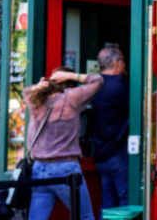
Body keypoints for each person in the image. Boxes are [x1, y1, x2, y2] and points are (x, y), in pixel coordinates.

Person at [24, 67, 103, 220]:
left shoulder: (35, 98)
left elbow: (26, 91)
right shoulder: (71, 97)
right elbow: (98, 80)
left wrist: (39, 86)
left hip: (39, 168)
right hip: (65, 167)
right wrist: (69, 75)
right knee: (85, 217)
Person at [90, 45, 129, 213]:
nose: (125, 65)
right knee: (126, 201)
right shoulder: (120, 86)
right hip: (117, 152)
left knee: (107, 202)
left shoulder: (93, 86)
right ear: (116, 62)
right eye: (123, 60)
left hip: (99, 152)